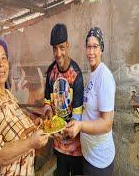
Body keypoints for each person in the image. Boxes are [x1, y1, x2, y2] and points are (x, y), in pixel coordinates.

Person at [0, 37, 49, 175]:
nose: (1, 64)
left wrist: (33, 125)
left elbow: (13, 127)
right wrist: (31, 142)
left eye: (3, 58)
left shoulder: (8, 94)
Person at [64, 27, 116, 176]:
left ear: (101, 49)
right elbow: (89, 110)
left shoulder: (104, 76)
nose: (91, 51)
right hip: (88, 155)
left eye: (95, 46)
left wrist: (80, 126)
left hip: (99, 162)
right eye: (88, 46)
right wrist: (74, 121)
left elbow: (106, 124)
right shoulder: (92, 73)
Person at [43, 23, 84, 176]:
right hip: (58, 144)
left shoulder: (76, 75)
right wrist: (47, 113)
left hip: (75, 146)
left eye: (61, 47)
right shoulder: (51, 72)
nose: (58, 53)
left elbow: (78, 115)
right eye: (54, 48)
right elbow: (47, 100)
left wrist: (66, 132)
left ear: (68, 45)